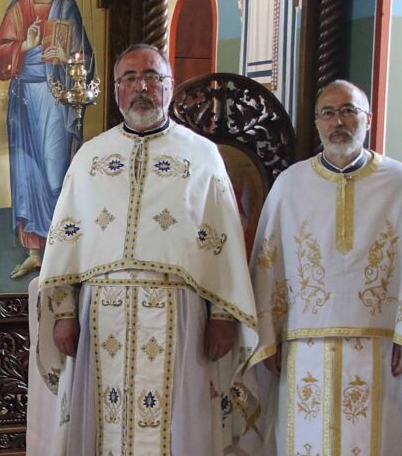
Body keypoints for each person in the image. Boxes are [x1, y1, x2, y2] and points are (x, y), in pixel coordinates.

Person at [35, 44, 258, 455]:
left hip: (180, 314)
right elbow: (68, 238)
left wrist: (223, 315)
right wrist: (65, 312)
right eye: (130, 78)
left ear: (170, 88)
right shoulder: (91, 157)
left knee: (179, 420)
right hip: (102, 316)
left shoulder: (201, 155)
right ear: (116, 90)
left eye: (153, 77)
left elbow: (223, 240)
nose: (142, 87)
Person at [242, 80, 402, 454]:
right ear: (317, 123)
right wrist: (268, 338)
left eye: (349, 111)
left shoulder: (401, 183)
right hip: (304, 346)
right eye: (329, 113)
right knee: (306, 438)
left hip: (381, 345)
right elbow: (268, 264)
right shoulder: (291, 185)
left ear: (367, 118)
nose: (339, 122)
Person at [0, 0, 94, 279]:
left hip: (56, 98)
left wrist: (66, 59)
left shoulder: (68, 6)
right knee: (27, 173)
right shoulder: (20, 7)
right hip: (24, 100)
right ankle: (34, 252)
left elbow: (85, 59)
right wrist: (25, 45)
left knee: (53, 173)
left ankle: (59, 250)